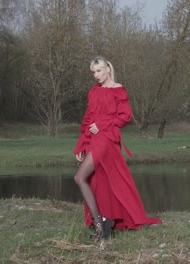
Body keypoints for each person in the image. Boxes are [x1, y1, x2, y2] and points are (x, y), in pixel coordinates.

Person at [73, 56, 162, 241]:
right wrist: (81, 144)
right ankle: (103, 223)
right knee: (98, 180)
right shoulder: (94, 91)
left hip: (106, 140)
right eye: (93, 72)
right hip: (94, 140)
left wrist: (103, 124)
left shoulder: (118, 90)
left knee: (80, 177)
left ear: (107, 69)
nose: (96, 75)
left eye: (98, 71)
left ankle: (101, 225)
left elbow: (125, 117)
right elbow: (88, 119)